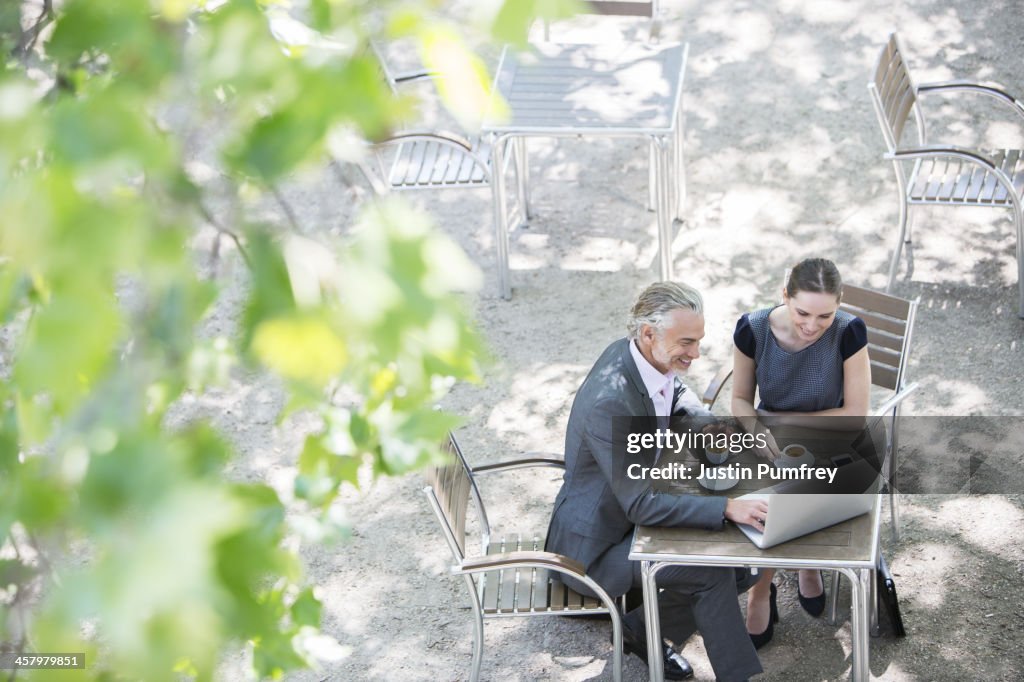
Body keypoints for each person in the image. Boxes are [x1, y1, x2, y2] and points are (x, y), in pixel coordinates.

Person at [546, 281, 767, 682]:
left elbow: (672, 389)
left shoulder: (637, 355)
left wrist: (707, 423)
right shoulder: (609, 401)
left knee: (744, 561)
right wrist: (727, 507)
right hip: (594, 551)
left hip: (631, 523)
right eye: (686, 342)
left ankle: (641, 629)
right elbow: (642, 504)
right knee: (712, 570)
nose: (696, 354)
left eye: (698, 341)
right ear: (648, 334)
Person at [730, 258, 871, 648]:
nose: (811, 326)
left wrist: (782, 418)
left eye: (825, 315)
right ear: (784, 297)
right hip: (769, 441)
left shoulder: (849, 332)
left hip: (830, 439)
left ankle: (786, 575)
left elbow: (855, 415)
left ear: (839, 306)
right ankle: (766, 586)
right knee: (760, 500)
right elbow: (740, 400)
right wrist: (758, 430)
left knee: (796, 490)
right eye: (802, 312)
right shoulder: (752, 328)